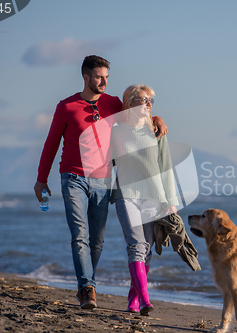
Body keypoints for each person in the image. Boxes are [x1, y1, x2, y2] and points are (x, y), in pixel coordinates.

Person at [34, 56, 168, 310]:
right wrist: (41, 179)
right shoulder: (66, 107)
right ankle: (87, 288)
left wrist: (157, 118)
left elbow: (137, 113)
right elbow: (51, 144)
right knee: (79, 235)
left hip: (103, 181)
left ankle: (87, 284)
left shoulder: (113, 104)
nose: (104, 81)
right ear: (86, 78)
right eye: (98, 77)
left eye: (107, 76)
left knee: (97, 240)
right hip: (72, 178)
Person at [111, 84, 179, 316]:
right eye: (142, 99)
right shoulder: (116, 131)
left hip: (153, 196)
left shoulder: (157, 131)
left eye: (151, 100)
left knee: (147, 249)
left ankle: (133, 299)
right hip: (126, 195)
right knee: (137, 246)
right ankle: (146, 301)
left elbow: (166, 167)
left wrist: (171, 201)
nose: (148, 103)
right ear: (129, 103)